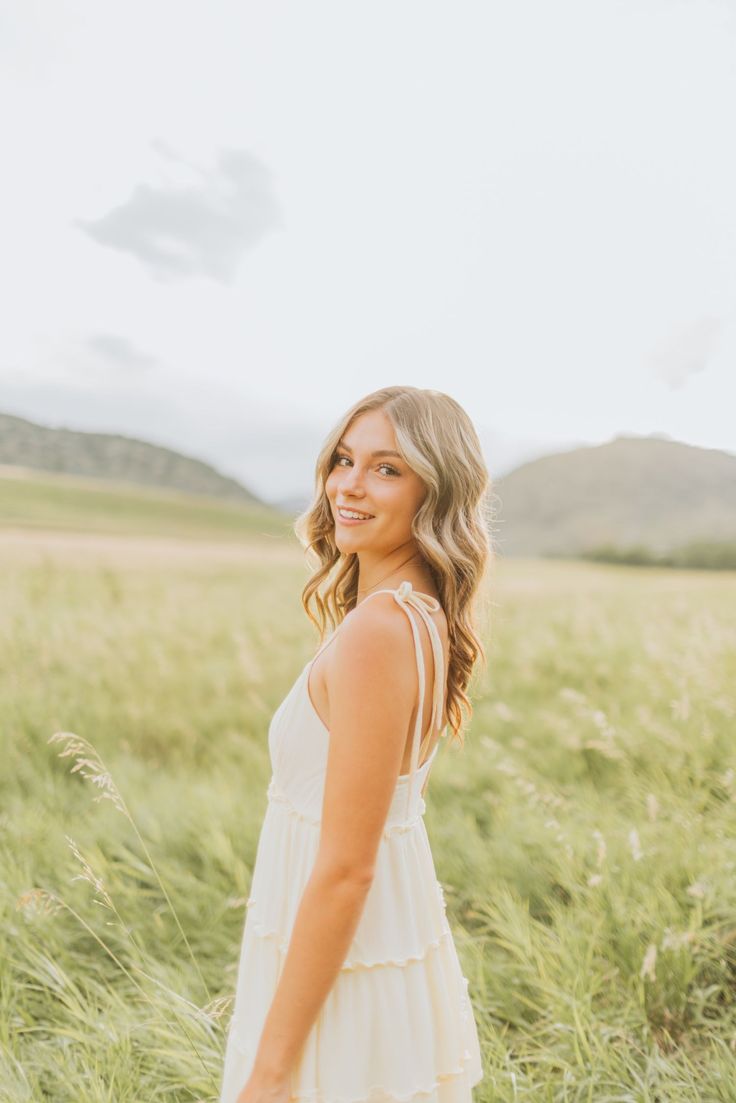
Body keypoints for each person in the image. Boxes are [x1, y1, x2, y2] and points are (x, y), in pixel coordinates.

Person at [219, 385, 494, 1103]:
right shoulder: (419, 617)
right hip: (370, 945)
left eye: (386, 468)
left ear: (436, 490)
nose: (348, 484)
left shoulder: (379, 631)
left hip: (345, 966)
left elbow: (347, 867)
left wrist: (273, 1069)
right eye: (344, 459)